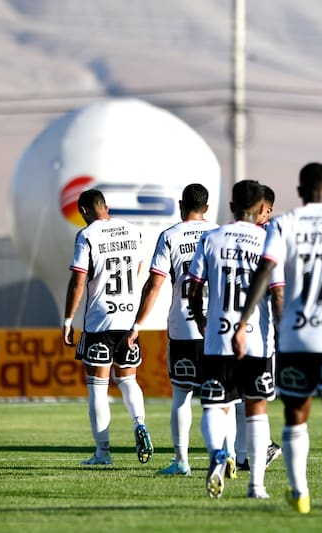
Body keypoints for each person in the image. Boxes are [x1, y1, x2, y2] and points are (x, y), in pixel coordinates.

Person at [232, 162, 322, 519]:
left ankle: (299, 493)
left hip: (297, 336)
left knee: (296, 416)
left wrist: (242, 321)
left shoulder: (284, 223)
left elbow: (264, 273)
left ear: (299, 191)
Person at [186, 179, 281, 500]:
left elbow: (193, 286)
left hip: (219, 335)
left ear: (231, 207)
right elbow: (278, 292)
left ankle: (216, 454)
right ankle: (257, 486)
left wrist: (200, 319)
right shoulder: (270, 240)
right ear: (260, 209)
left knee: (215, 405)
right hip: (258, 338)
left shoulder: (210, 238)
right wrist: (282, 331)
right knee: (257, 409)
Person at [125, 183, 217, 477]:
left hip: (184, 326)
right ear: (207, 207)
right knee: (226, 399)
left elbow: (155, 284)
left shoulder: (170, 236)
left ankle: (181, 461)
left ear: (181, 205)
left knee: (182, 396)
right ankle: (230, 456)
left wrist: (137, 325)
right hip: (218, 327)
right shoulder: (218, 234)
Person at [62, 188, 153, 466]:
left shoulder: (87, 235)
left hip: (100, 320)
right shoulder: (132, 230)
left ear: (84, 212)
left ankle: (102, 454)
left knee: (98, 388)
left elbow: (79, 281)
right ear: (107, 207)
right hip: (128, 321)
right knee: (128, 381)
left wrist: (68, 320)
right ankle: (139, 423)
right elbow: (137, 268)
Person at [234, 184, 283, 473]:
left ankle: (257, 450)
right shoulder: (242, 235)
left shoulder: (273, 239)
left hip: (261, 329)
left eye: (263, 209)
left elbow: (278, 287)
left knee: (251, 397)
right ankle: (244, 455)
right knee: (238, 397)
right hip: (238, 325)